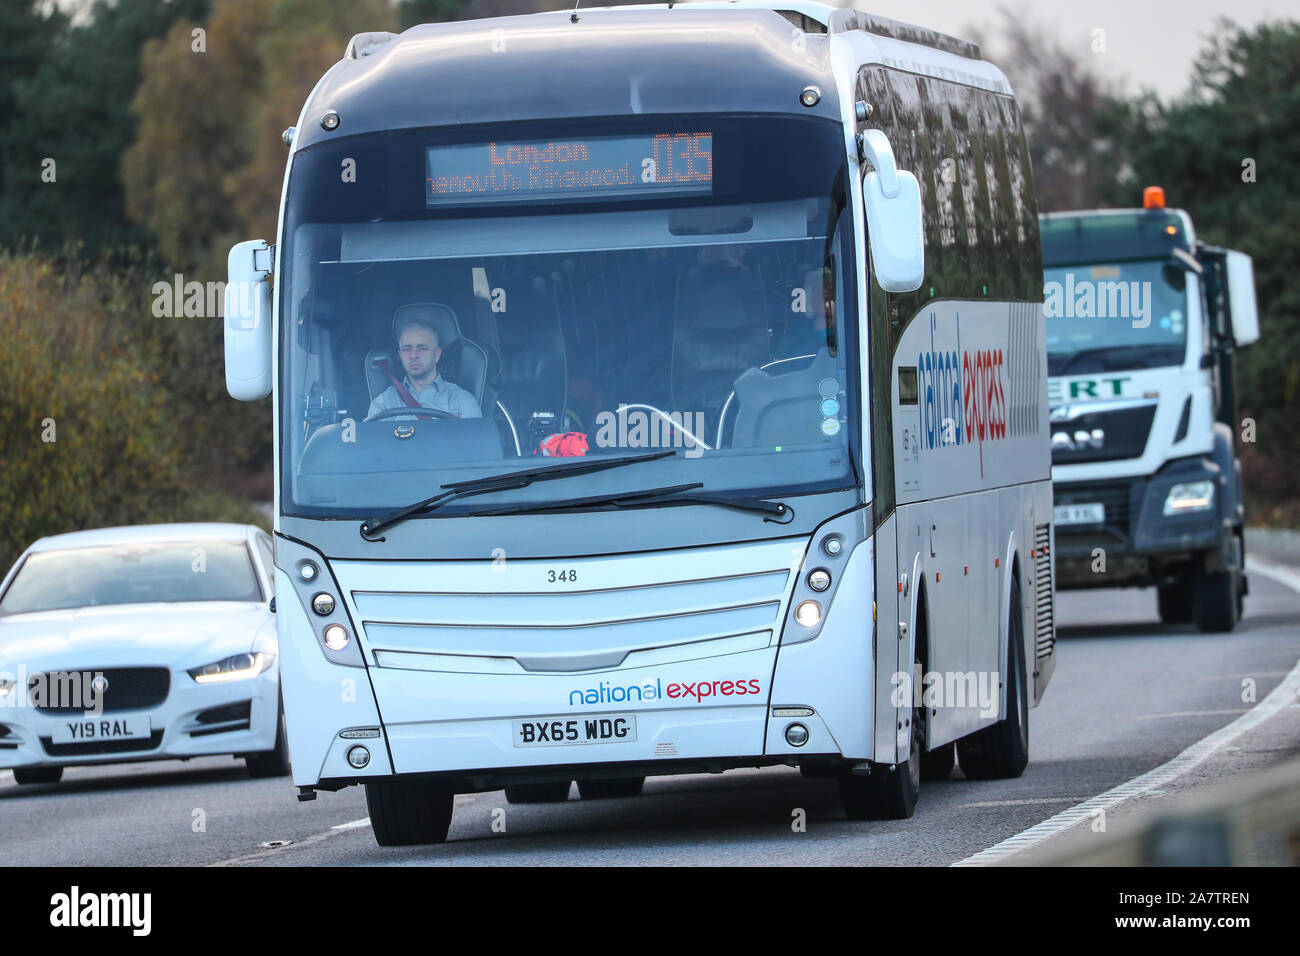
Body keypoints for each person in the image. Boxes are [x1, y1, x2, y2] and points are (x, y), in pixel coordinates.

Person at [367, 310, 482, 420]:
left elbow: (477, 440)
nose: (413, 355)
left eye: (422, 348)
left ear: (437, 355)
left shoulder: (462, 401)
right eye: (407, 349)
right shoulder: (384, 404)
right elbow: (373, 439)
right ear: (400, 355)